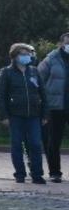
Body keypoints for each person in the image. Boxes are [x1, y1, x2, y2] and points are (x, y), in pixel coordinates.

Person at [0, 43, 46, 184]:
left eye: (28, 54)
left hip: (34, 115)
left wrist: (45, 114)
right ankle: (20, 173)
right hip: (15, 115)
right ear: (15, 56)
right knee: (17, 145)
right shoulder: (6, 72)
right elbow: (0, 96)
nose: (26, 57)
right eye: (22, 54)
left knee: (36, 144)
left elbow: (43, 93)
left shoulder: (34, 71)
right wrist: (4, 115)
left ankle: (37, 174)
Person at [36, 32, 69, 183]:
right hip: (55, 106)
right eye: (67, 43)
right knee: (53, 141)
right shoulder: (51, 59)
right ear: (61, 43)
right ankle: (55, 172)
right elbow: (38, 78)